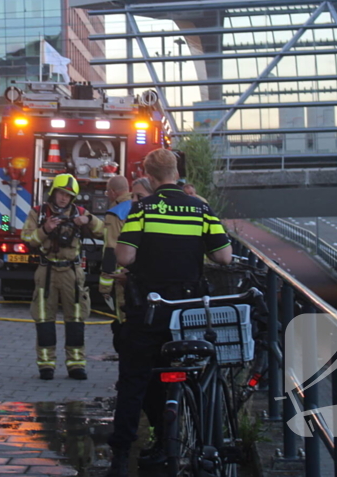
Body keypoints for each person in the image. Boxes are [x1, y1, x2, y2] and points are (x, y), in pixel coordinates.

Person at [106, 149, 233, 477]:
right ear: (176, 172)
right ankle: (200, 443)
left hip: (148, 312)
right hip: (187, 314)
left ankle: (120, 457)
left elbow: (123, 257)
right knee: (196, 372)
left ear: (148, 176)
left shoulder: (143, 209)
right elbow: (224, 258)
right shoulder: (200, 209)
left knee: (134, 380)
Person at [21, 173, 105, 380]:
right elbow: (26, 238)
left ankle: (76, 364)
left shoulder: (80, 212)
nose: (63, 198)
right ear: (53, 192)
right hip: (46, 272)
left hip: (71, 273)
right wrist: (44, 230)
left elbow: (104, 232)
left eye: (68, 195)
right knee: (43, 319)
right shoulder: (38, 213)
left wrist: (89, 219)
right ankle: (46, 365)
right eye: (61, 193)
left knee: (76, 319)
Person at [99, 175, 133, 330]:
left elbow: (111, 248)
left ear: (112, 192)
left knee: (124, 317)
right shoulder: (139, 205)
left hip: (122, 275)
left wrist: (105, 286)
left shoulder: (115, 213)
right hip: (141, 271)